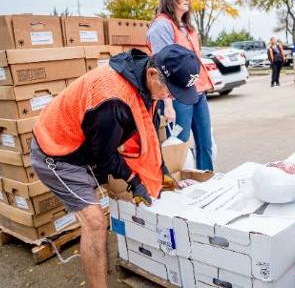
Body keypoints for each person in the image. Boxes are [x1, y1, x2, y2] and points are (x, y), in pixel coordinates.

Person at [30, 45, 200, 287]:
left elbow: (148, 134)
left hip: (85, 142)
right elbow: (104, 157)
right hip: (56, 151)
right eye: (171, 91)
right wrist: (134, 181)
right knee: (96, 222)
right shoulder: (113, 100)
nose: (171, 97)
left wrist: (162, 174)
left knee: (106, 212)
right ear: (153, 75)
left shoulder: (144, 82)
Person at [147, 0, 215, 171]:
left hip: (198, 92)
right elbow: (161, 68)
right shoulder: (162, 26)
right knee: (178, 144)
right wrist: (168, 105)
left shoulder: (188, 27)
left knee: (205, 143)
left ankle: (206, 178)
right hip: (178, 97)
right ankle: (177, 185)